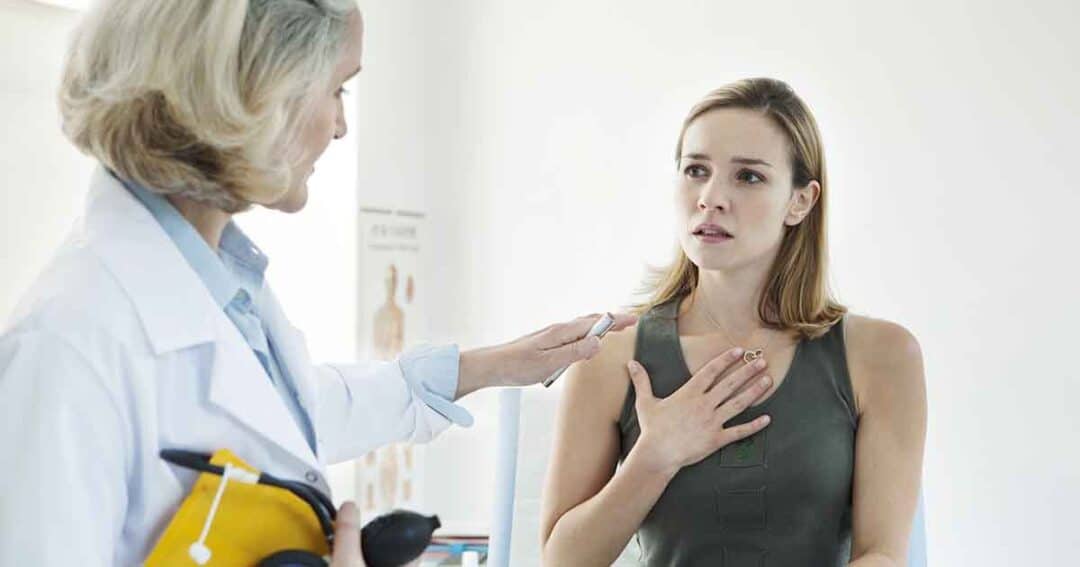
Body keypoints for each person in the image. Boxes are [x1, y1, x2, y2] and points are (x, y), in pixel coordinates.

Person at [0, 1, 633, 564]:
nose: (339, 127)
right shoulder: (69, 345)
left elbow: (289, 415)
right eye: (338, 90)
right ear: (254, 91)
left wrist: (492, 366)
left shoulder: (213, 280)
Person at [539, 78, 926, 566]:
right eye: (696, 170)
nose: (711, 197)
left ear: (800, 201)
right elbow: (560, 562)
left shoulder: (883, 355)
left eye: (748, 177)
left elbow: (882, 555)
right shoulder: (610, 356)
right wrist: (654, 457)